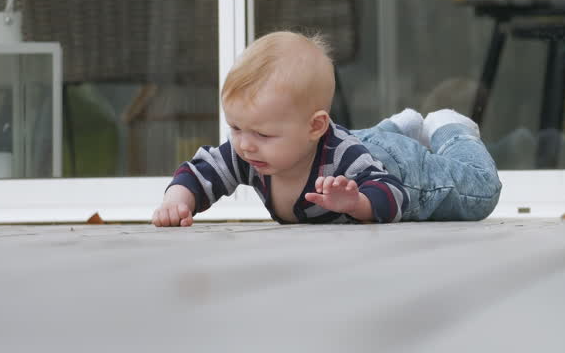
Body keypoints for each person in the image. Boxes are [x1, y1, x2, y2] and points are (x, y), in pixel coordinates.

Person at [152, 31, 502, 225]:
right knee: (369, 142)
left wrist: (358, 202)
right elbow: (202, 171)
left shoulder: (344, 160)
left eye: (263, 134)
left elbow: (392, 191)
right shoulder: (251, 150)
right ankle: (394, 128)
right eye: (236, 127)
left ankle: (448, 129)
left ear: (315, 126)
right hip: (364, 143)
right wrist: (177, 200)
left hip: (402, 168)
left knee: (480, 192)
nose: (245, 144)